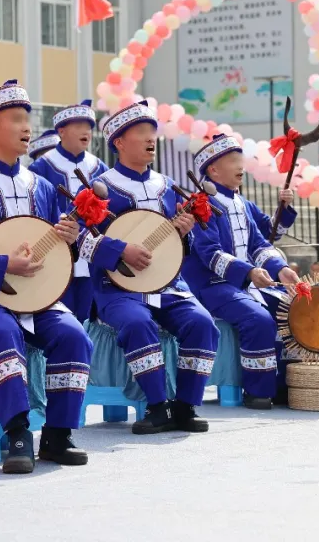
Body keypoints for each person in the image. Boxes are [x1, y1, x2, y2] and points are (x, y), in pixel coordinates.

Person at [0, 80, 92, 474]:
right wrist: (0, 265)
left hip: (37, 297)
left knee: (74, 336)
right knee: (2, 332)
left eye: (27, 119)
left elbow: (55, 250)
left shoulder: (41, 186)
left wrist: (68, 239)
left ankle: (58, 434)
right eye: (16, 119)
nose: (27, 127)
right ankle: (17, 433)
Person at [77, 101, 217, 433]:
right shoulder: (100, 187)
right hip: (117, 289)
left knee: (202, 323)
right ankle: (157, 406)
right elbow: (78, 240)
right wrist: (120, 250)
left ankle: (185, 406)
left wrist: (183, 232)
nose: (150, 138)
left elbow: (179, 247)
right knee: (138, 323)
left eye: (153, 131)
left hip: (168, 285)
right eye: (141, 132)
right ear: (119, 142)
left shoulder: (167, 186)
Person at [182, 134, 300, 409]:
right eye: (233, 160)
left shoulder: (241, 203)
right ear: (213, 170)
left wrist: (281, 269)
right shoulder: (201, 204)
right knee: (259, 319)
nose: (241, 166)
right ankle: (258, 391)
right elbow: (210, 254)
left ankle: (284, 384)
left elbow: (260, 243)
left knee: (291, 309)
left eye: (241, 159)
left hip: (243, 282)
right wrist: (248, 272)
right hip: (211, 285)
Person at [28, 100, 108, 323]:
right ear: (61, 131)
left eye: (89, 127)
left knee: (88, 317)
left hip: (90, 256)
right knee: (58, 317)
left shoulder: (99, 167)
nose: (86, 132)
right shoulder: (41, 167)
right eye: (79, 126)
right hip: (54, 251)